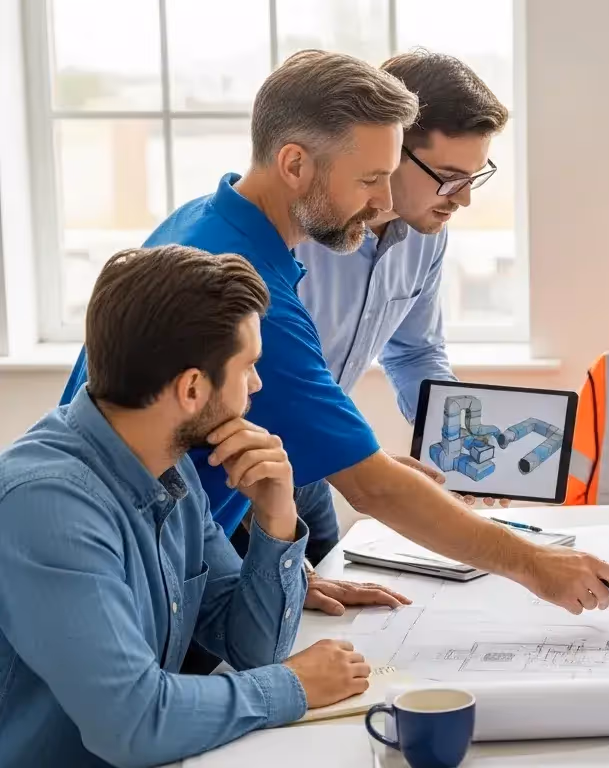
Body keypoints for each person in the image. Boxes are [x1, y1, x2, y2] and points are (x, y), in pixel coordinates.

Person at [59, 50, 609, 620]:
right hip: (116, 558)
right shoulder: (249, 299)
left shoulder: (213, 219)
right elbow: (373, 488)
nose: (384, 203)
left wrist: (277, 572)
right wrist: (536, 564)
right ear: (294, 165)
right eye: (370, 180)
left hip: (187, 530)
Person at [0, 246, 371, 767]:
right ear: (193, 387)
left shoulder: (172, 470)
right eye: (249, 368)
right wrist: (294, 686)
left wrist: (275, 518)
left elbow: (252, 648)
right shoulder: (49, 506)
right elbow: (132, 723)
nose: (257, 385)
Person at [292, 50, 510, 566]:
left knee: (331, 616)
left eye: (474, 179)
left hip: (313, 471)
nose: (463, 200)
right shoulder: (299, 234)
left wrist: (455, 448)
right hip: (247, 472)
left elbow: (415, 354)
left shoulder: (426, 237)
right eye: (450, 177)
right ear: (391, 151)